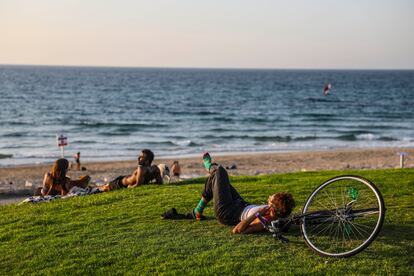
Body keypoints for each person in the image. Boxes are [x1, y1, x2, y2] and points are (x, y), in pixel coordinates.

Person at [191, 152, 295, 234]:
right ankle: (198, 211)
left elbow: (237, 230)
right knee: (219, 181)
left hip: (227, 212)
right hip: (240, 204)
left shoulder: (264, 221)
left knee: (220, 171)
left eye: (271, 199)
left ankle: (210, 167)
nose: (269, 197)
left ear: (272, 208)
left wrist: (257, 214)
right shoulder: (274, 212)